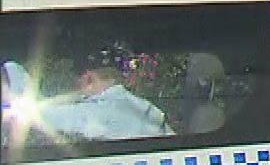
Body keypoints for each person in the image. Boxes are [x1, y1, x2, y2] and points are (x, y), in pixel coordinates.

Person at [35, 53, 172, 141]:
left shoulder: (103, 111)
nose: (75, 88)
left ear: (88, 78)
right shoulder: (143, 107)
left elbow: (43, 116)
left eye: (76, 81)